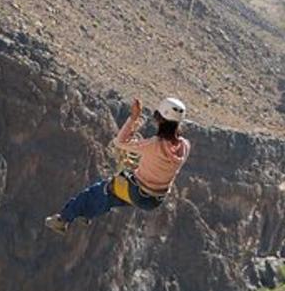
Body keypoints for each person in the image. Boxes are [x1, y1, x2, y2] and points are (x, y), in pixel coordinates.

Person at [45, 96, 190, 234]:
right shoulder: (184, 146)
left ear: (160, 119)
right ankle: (85, 213)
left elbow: (119, 142)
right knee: (112, 197)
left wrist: (133, 118)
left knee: (102, 189)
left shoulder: (153, 144)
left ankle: (62, 219)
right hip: (154, 200)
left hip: (138, 192)